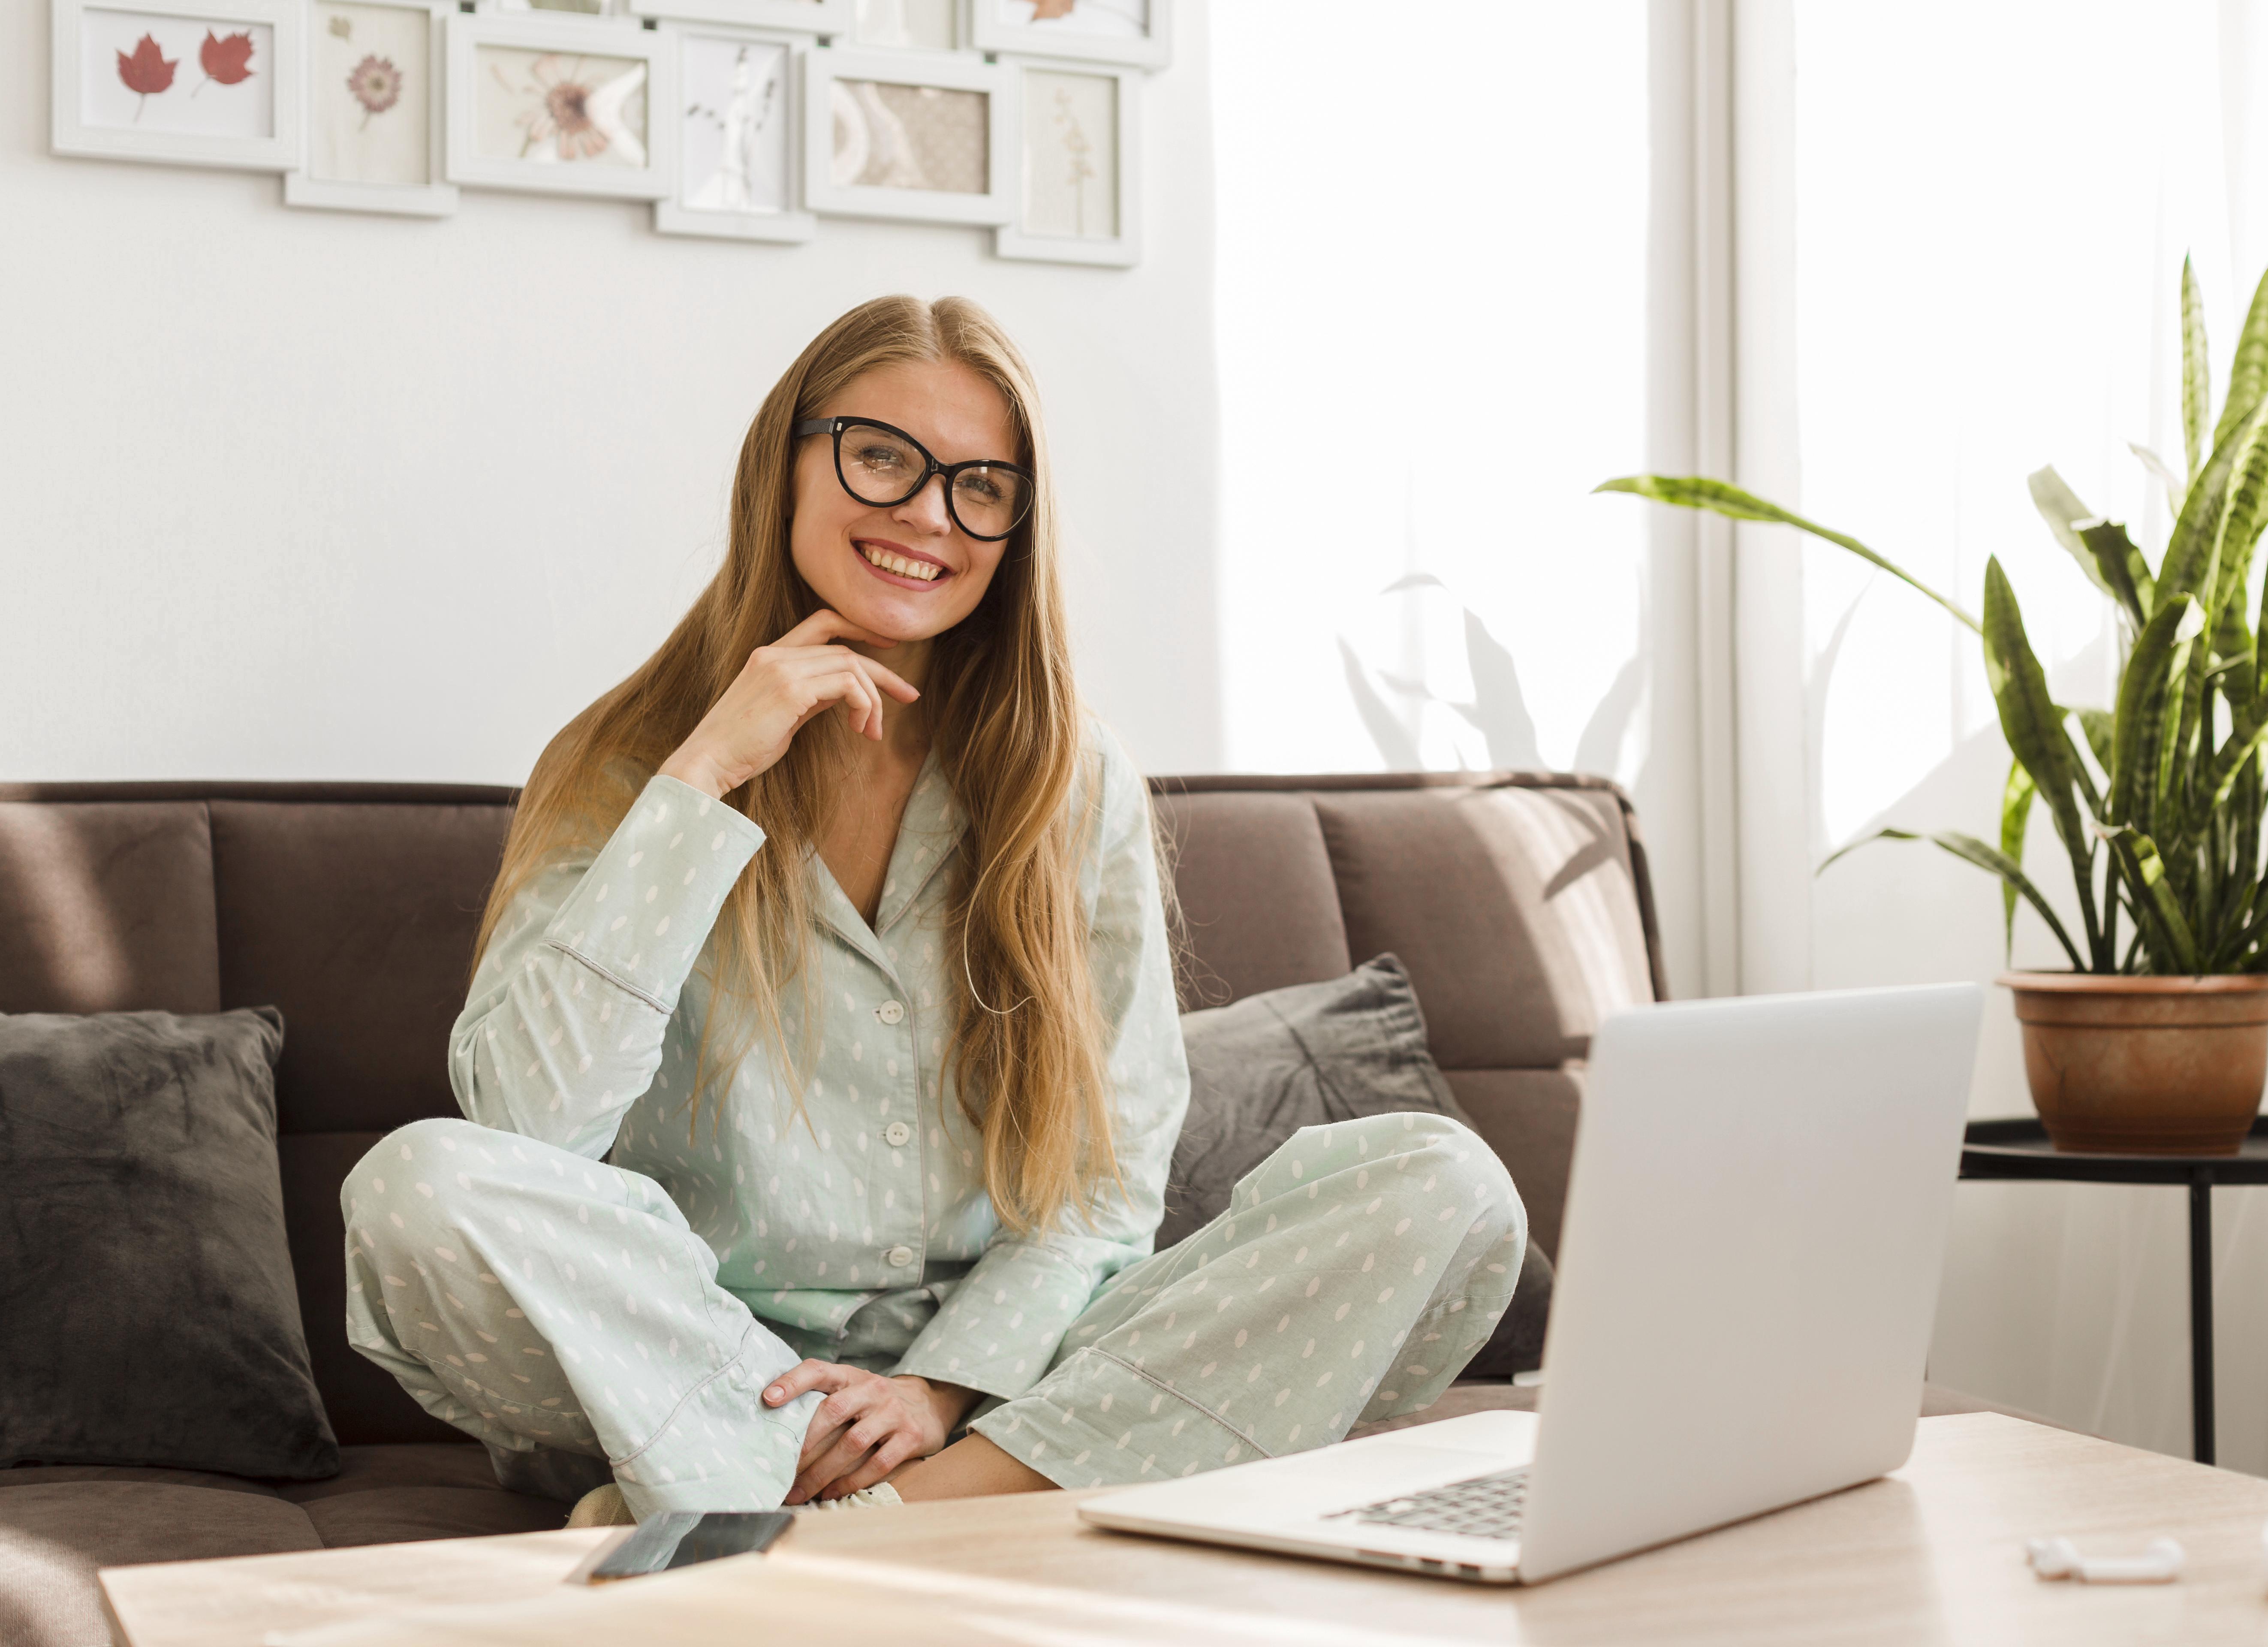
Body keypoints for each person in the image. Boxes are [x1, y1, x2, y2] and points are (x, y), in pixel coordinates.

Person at [341, 295, 1526, 1525]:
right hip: (677, 1366)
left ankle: (875, 1511)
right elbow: (528, 1127)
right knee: (414, 1188)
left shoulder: (1075, 778)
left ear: (1017, 527)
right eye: (882, 457)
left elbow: (1104, 1178)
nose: (926, 513)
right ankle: (828, 1482)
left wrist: (941, 1388)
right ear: (786, 461)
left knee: (1444, 1184)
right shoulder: (623, 764)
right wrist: (702, 782)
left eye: (981, 485)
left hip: (1007, 1377)